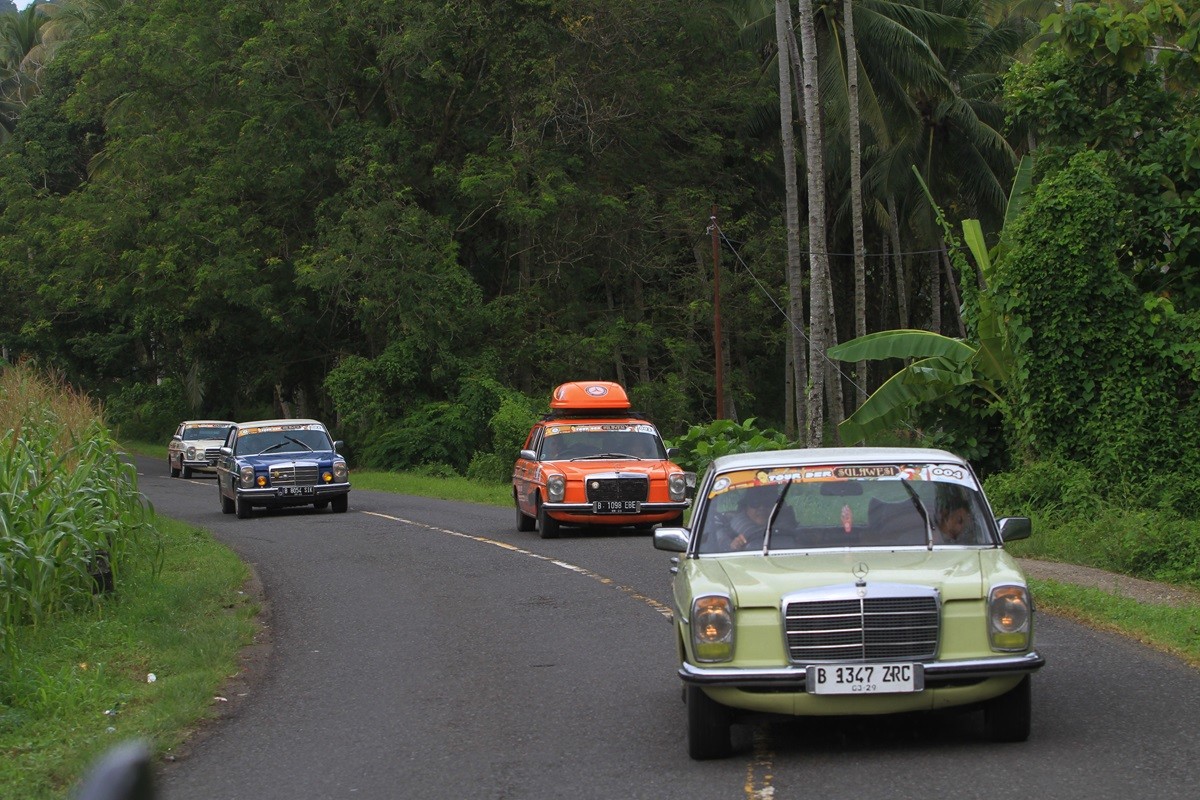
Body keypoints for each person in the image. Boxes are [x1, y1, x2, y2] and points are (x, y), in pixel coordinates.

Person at [721, 485, 793, 551]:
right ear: (745, 507)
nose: (761, 508)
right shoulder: (728, 533)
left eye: (768, 502)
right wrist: (733, 547)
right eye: (755, 502)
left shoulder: (794, 531)